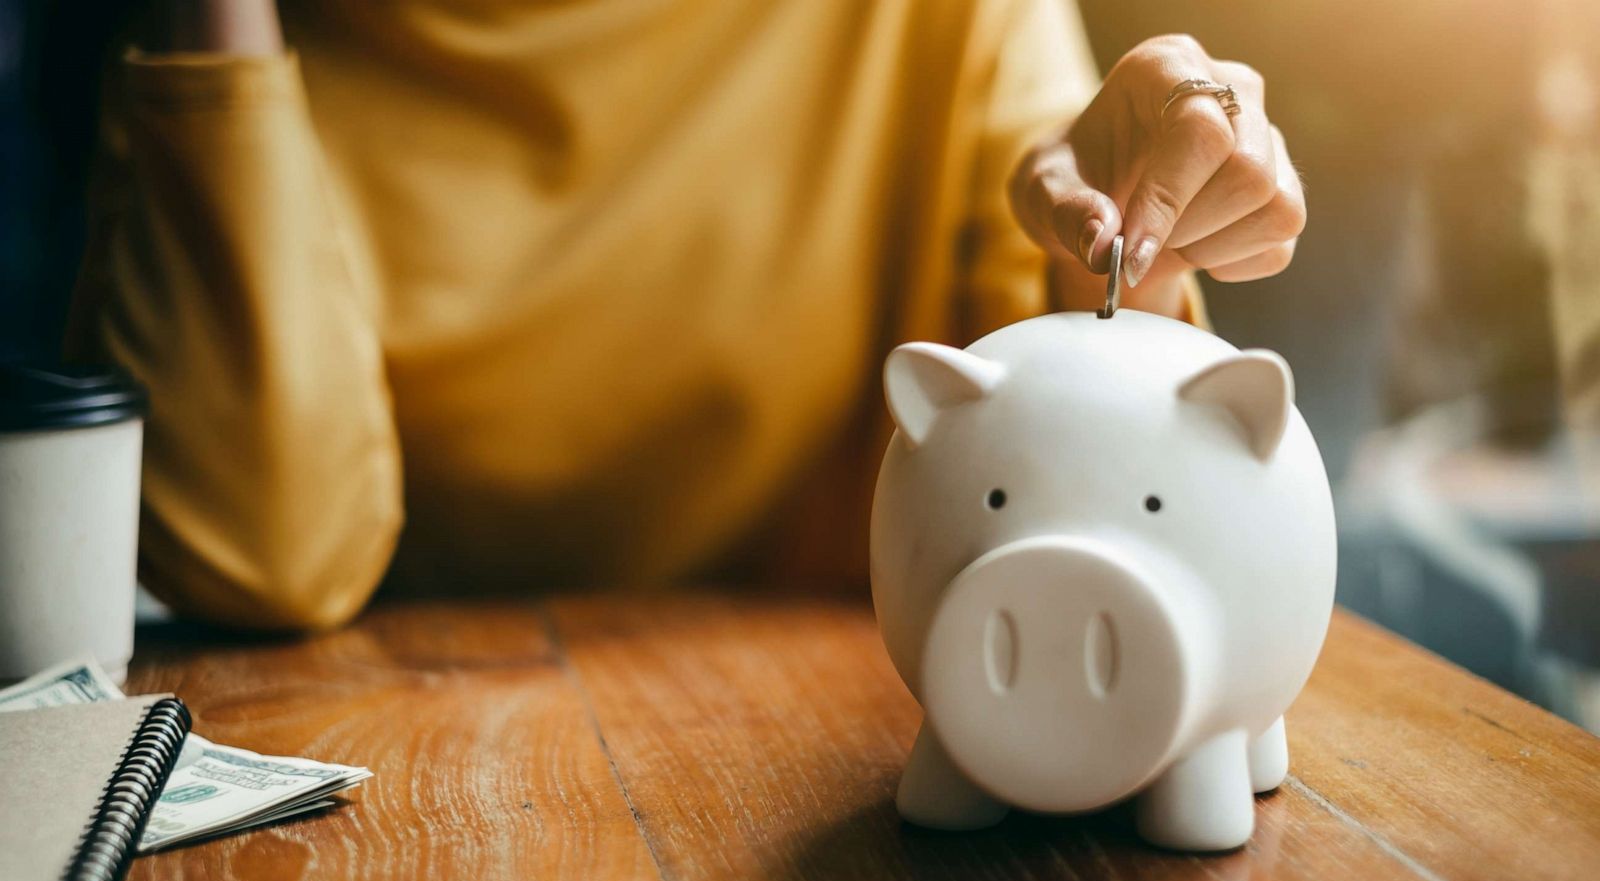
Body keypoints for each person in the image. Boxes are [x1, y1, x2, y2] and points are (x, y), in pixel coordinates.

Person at [67, 0, 1305, 630]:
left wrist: (1139, 250)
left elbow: (1078, 446)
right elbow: (254, 555)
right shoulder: (250, 46)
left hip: (837, 735)